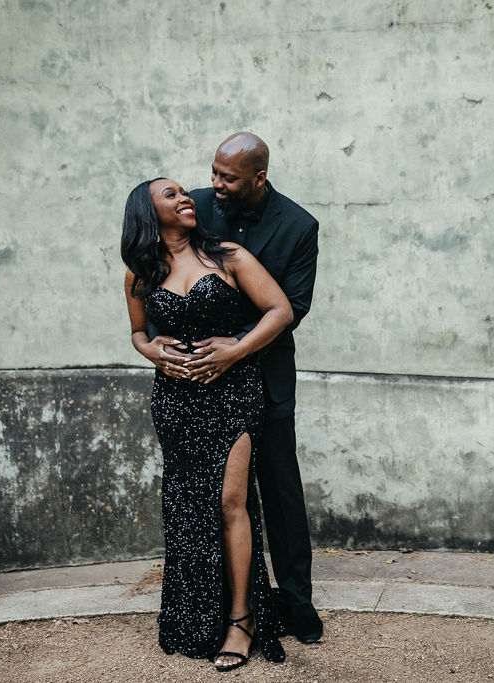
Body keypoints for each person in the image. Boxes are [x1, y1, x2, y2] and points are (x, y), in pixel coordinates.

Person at [144, 132, 323, 643]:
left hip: (262, 370)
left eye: (228, 178)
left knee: (280, 486)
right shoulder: (195, 205)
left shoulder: (299, 226)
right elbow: (158, 280)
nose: (214, 185)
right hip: (196, 381)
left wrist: (237, 347)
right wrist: (155, 344)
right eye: (214, 173)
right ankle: (215, 603)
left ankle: (295, 601)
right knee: (208, 497)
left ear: (258, 178)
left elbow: (294, 305)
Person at [121, 177, 292, 671]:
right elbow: (136, 332)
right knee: (189, 507)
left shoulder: (229, 257)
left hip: (233, 394)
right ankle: (196, 615)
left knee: (230, 501)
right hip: (175, 400)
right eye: (170, 195)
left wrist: (236, 349)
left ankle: (242, 621)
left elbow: (279, 310)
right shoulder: (139, 274)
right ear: (148, 214)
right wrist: (150, 349)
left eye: (183, 192)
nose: (185, 198)